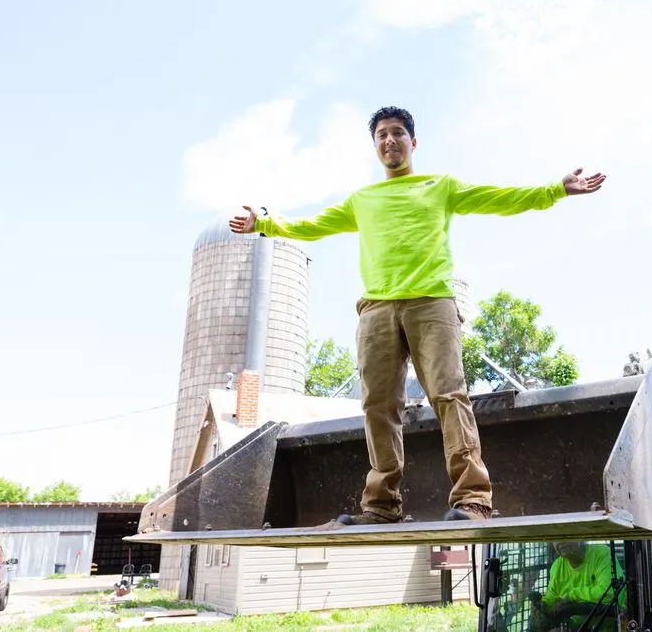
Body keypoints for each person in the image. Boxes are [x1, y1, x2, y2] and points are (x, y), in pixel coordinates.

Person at [229, 106, 605, 524]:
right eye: (381, 135)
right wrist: (264, 223)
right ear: (375, 146)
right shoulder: (363, 200)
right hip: (377, 309)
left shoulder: (439, 186)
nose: (389, 140)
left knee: (448, 395)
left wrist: (556, 189)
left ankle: (473, 499)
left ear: (413, 141)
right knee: (377, 405)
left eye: (397, 133)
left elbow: (500, 198)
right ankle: (382, 505)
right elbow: (313, 225)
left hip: (432, 303)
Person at [530, 541, 626, 631]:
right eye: (557, 537)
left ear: (582, 534)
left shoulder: (602, 554)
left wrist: (572, 596)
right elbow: (553, 595)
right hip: (571, 626)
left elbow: (609, 594)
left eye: (568, 533)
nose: (561, 541)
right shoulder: (557, 566)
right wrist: (543, 604)